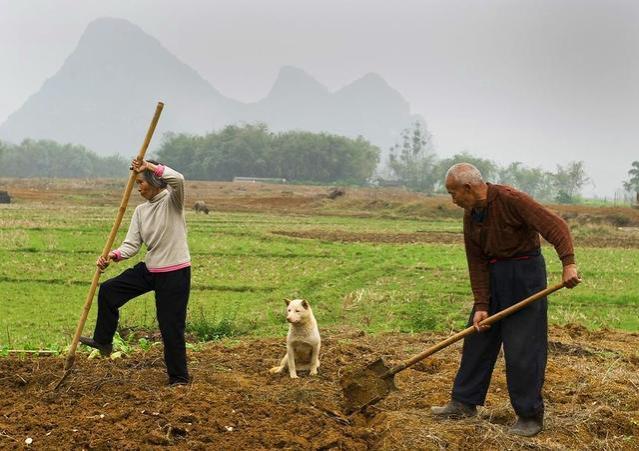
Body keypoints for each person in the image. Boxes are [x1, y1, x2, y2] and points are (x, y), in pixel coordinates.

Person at [431, 163, 581, 437]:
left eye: (453, 193)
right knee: (478, 337)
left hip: (525, 277)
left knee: (523, 349)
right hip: (493, 277)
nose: (452, 200)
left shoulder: (511, 199)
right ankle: (464, 402)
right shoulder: (471, 214)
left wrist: (568, 264)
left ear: (468, 188)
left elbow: (555, 226)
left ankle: (529, 416)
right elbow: (476, 261)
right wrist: (481, 305)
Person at [80, 159, 192, 386]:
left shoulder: (173, 200)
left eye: (140, 182)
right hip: (151, 268)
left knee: (170, 326)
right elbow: (131, 245)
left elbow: (178, 179)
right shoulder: (141, 211)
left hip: (175, 272)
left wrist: (148, 166)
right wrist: (113, 255)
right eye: (136, 183)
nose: (138, 187)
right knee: (110, 290)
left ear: (154, 182)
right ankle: (103, 341)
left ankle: (179, 378)